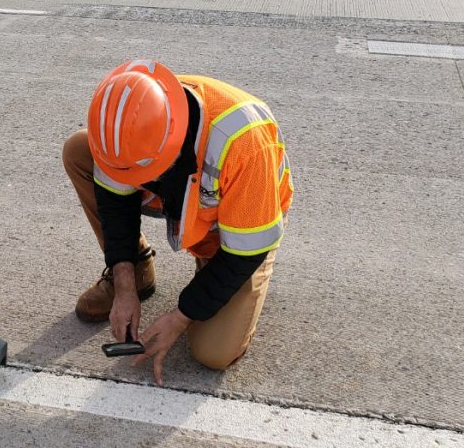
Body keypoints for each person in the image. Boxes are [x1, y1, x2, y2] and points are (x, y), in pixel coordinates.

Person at [63, 59, 293, 386]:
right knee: (78, 149)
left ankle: (226, 282)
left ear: (171, 143)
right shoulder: (129, 119)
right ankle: (140, 270)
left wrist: (182, 316)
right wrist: (125, 283)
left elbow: (244, 253)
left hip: (241, 233)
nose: (132, 181)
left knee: (212, 353)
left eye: (140, 174)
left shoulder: (245, 143)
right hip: (188, 201)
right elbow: (114, 201)